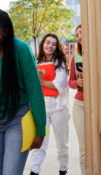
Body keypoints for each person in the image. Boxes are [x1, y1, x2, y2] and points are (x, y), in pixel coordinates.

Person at [0, 9, 46, 175]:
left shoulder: (21, 50)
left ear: (6, 32)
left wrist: (40, 129)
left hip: (18, 119)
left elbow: (35, 91)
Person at [30, 33, 69, 175]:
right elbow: (30, 85)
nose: (50, 46)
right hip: (42, 108)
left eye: (53, 44)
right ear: (43, 44)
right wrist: (38, 79)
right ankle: (34, 171)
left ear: (56, 47)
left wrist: (38, 79)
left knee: (62, 144)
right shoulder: (36, 62)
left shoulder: (61, 63)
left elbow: (58, 84)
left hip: (59, 108)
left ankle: (63, 170)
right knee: (39, 142)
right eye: (47, 42)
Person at [69, 24, 85, 175]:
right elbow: (70, 82)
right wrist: (78, 83)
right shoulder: (76, 56)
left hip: (97, 105)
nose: (79, 36)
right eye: (77, 34)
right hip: (79, 105)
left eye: (82, 32)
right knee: (84, 148)